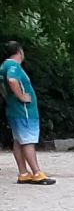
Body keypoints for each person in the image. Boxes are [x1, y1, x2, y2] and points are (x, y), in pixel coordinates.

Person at [3, 41, 52, 185]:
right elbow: (11, 80)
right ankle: (37, 173)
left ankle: (23, 173)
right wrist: (21, 96)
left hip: (14, 110)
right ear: (20, 51)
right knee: (28, 140)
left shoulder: (3, 66)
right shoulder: (13, 66)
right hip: (24, 111)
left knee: (18, 141)